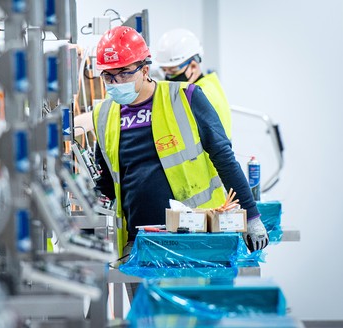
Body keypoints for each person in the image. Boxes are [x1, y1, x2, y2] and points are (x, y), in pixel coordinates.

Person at [92, 26, 268, 285]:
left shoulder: (186, 97)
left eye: (123, 74)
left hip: (196, 237)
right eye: (108, 77)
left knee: (199, 319)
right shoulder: (104, 114)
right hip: (140, 244)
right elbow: (106, 179)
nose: (115, 83)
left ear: (144, 69)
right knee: (149, 320)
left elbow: (224, 158)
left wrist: (251, 216)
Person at [155, 28, 232, 139]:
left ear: (193, 66)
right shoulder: (209, 84)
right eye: (164, 70)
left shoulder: (200, 95)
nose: (168, 77)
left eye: (173, 71)